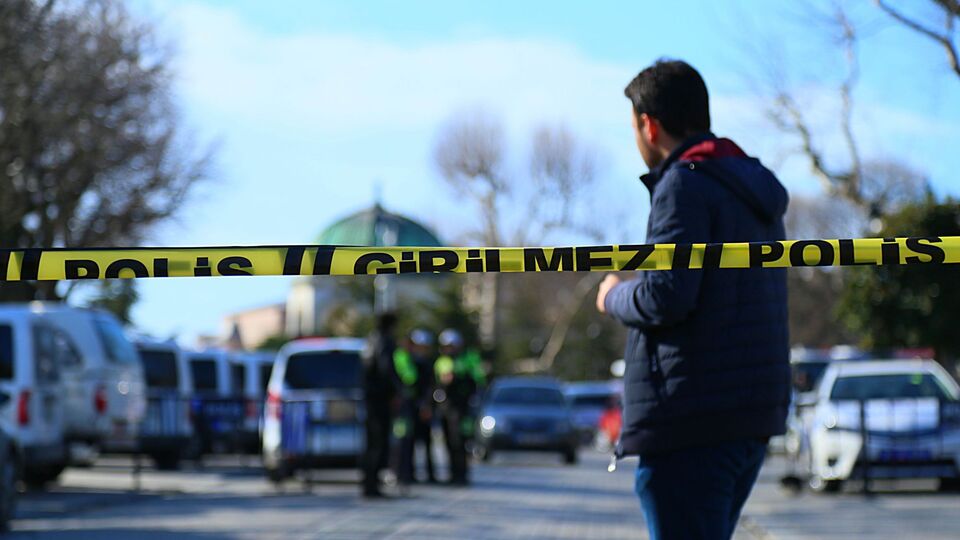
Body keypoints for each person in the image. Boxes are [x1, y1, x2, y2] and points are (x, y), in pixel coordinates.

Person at [595, 59, 791, 540]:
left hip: (692, 418)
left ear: (648, 124)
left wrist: (615, 296)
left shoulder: (684, 183)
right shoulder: (747, 184)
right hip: (749, 411)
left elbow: (667, 296)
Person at [434, 329, 485, 485]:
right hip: (446, 408)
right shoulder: (441, 361)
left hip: (462, 408)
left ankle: (462, 474)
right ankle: (452, 473)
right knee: (449, 442)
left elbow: (478, 379)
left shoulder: (469, 358)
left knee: (460, 441)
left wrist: (460, 374)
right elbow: (439, 382)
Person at [360, 312, 400, 498]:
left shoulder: (369, 340)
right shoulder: (384, 342)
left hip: (370, 397)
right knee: (378, 443)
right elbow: (386, 370)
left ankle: (368, 483)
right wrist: (395, 391)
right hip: (380, 399)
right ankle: (372, 486)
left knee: (371, 443)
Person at [393, 328, 437, 486]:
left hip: (418, 407)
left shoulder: (425, 363)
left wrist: (427, 405)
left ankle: (425, 473)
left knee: (423, 441)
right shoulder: (404, 358)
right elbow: (409, 380)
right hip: (405, 408)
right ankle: (403, 473)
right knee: (404, 440)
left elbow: (428, 387)